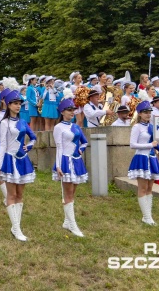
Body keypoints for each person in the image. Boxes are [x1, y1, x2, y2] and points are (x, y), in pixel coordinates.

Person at [0, 89, 37, 241]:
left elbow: (33, 137)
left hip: (22, 160)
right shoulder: (4, 123)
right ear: (8, 105)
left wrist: (30, 146)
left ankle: (15, 227)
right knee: (11, 195)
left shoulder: (23, 122)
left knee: (20, 195)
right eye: (14, 103)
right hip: (9, 160)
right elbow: (2, 145)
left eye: (19, 103)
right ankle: (17, 229)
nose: (18, 106)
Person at [128, 101, 159, 226]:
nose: (148, 114)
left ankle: (148, 215)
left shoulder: (151, 127)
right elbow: (132, 145)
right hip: (141, 158)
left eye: (149, 112)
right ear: (139, 114)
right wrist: (150, 145)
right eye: (145, 112)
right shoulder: (136, 127)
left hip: (151, 158)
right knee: (143, 187)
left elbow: (157, 144)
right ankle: (146, 216)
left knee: (150, 188)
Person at [53, 91, 88, 237]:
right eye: (69, 110)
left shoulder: (76, 126)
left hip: (77, 162)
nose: (72, 112)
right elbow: (59, 147)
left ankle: (67, 221)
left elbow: (84, 142)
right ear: (62, 112)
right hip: (65, 161)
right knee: (68, 194)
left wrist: (80, 149)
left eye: (73, 110)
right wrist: (58, 165)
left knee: (73, 192)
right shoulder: (58, 127)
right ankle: (73, 225)